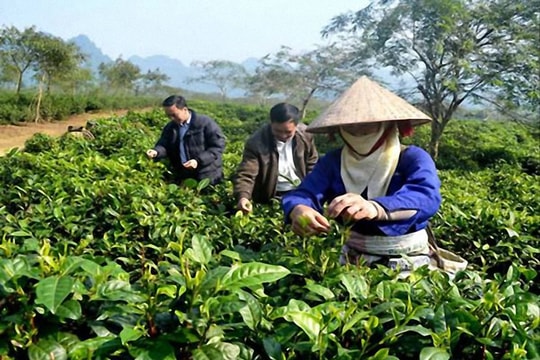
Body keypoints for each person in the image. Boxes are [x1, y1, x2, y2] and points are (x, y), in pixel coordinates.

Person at [282, 76, 460, 274]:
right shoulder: (333, 162)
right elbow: (304, 192)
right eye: (350, 125)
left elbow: (426, 197)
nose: (358, 130)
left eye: (369, 124)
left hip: (408, 259)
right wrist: (298, 209)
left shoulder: (412, 158)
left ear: (387, 124)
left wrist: (376, 207)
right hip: (354, 258)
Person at [233, 103, 319, 214]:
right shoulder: (257, 142)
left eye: (288, 132)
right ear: (271, 123)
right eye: (277, 131)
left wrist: (312, 192)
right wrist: (243, 196)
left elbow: (313, 165)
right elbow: (246, 173)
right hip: (272, 195)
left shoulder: (306, 136)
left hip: (300, 193)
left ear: (296, 126)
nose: (283, 136)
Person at [146, 95, 226, 185]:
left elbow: (218, 146)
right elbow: (164, 144)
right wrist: (156, 152)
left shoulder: (205, 123)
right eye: (169, 116)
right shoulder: (171, 127)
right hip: (184, 174)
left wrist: (198, 161)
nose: (172, 118)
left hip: (207, 174)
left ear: (184, 110)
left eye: (174, 115)